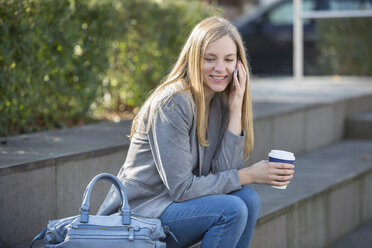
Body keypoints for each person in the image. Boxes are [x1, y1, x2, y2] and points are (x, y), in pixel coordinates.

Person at [98, 17, 295, 248]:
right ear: (194, 59)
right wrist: (249, 175)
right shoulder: (173, 102)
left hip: (171, 208)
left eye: (229, 60)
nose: (220, 68)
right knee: (232, 209)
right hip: (140, 213)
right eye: (210, 59)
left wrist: (235, 109)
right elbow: (182, 189)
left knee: (247, 199)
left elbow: (224, 175)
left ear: (239, 65)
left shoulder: (220, 102)